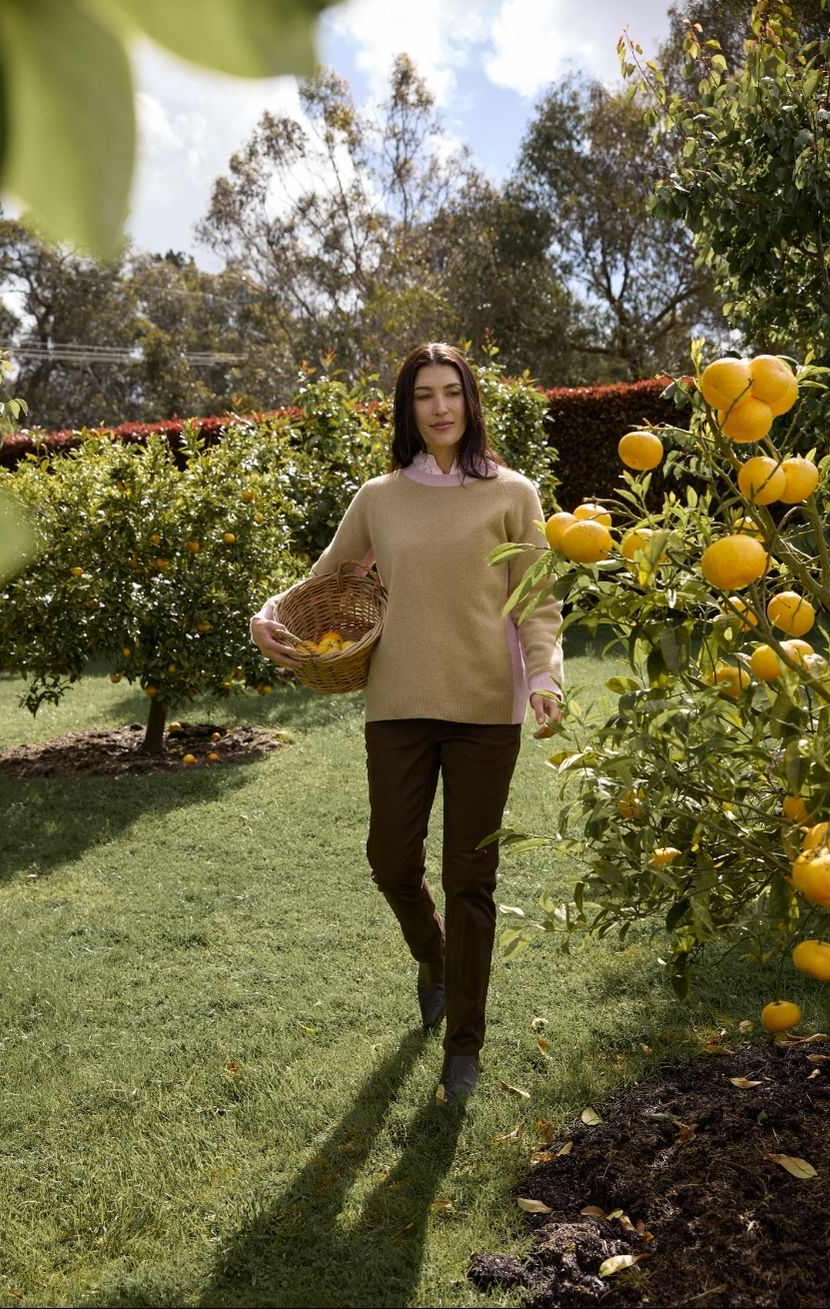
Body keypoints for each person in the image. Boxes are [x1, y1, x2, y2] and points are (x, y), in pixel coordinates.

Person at [250, 342, 563, 1101]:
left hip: (486, 709)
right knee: (391, 859)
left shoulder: (512, 494)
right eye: (423, 395)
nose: (439, 407)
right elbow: (330, 578)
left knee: (470, 876)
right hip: (396, 704)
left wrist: (545, 675)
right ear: (407, 408)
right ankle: (433, 952)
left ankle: (464, 1042)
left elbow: (538, 599)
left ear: (470, 401)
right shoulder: (378, 497)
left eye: (451, 392)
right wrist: (268, 612)